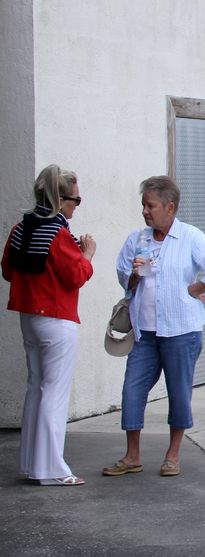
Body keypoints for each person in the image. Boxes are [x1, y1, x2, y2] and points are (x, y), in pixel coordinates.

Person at [102, 176, 205, 478]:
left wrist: (194, 287)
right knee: (132, 390)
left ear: (170, 207)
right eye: (144, 205)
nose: (145, 211)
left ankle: (173, 454)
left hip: (181, 331)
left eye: (151, 205)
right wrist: (133, 275)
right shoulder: (138, 239)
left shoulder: (190, 237)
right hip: (145, 333)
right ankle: (132, 455)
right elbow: (125, 280)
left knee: (178, 392)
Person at [2, 165, 96, 486]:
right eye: (75, 200)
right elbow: (76, 276)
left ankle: (33, 465)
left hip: (29, 317)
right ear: (60, 198)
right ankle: (53, 468)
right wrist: (88, 255)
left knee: (36, 388)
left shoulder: (19, 228)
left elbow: (7, 270)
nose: (75, 206)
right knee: (53, 394)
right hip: (56, 318)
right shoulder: (58, 233)